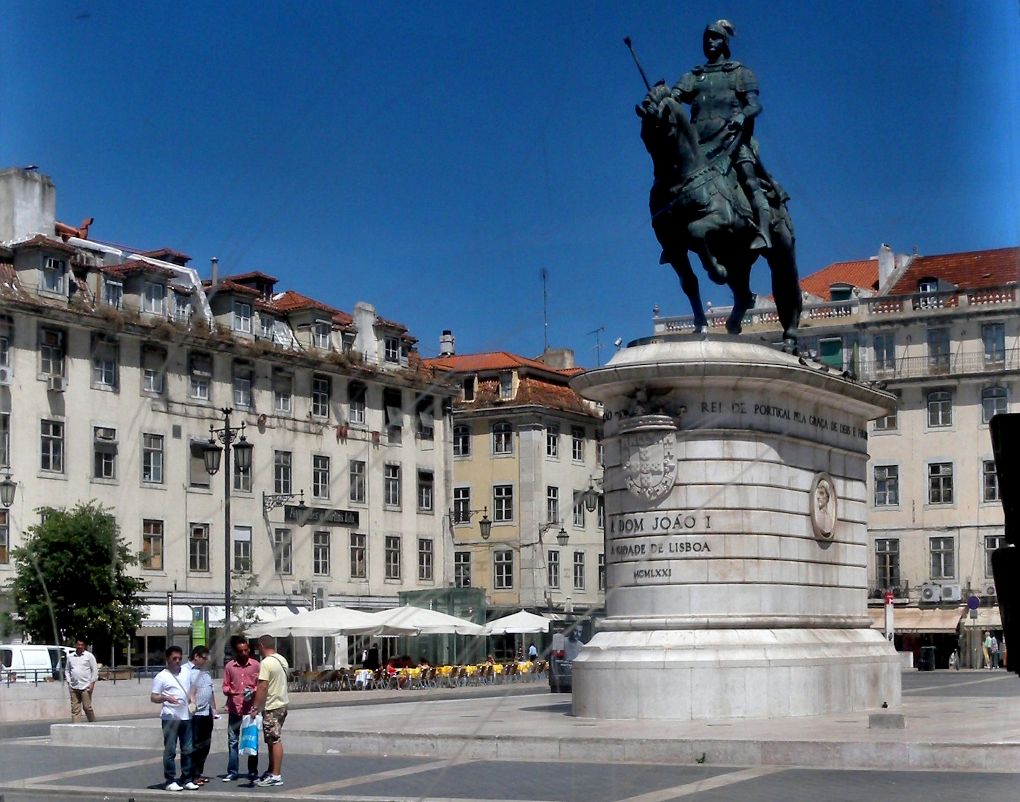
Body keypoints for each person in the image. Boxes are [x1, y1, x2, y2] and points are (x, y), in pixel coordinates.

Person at [670, 20, 783, 250]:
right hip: (699, 143)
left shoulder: (739, 73)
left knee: (748, 178)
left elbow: (754, 105)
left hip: (732, 139)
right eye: (707, 38)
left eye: (715, 37)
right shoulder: (693, 76)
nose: (709, 42)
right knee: (672, 179)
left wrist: (742, 115)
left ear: (725, 42)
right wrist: (660, 98)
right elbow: (674, 98)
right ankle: (670, 233)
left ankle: (763, 231)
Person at [150, 645, 199, 792]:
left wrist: (192, 700)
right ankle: (170, 780)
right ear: (167, 659)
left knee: (188, 749)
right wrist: (165, 697)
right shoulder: (161, 676)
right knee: (170, 750)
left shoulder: (186, 672)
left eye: (179, 658)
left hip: (186, 717)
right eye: (174, 659)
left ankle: (186, 778)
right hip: (170, 717)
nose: (177, 661)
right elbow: (153, 697)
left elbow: (191, 688)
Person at [252, 634, 289, 787]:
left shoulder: (266, 663)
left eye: (257, 647)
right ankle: (271, 770)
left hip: (272, 705)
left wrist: (255, 707)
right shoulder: (281, 659)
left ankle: (276, 775)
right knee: (271, 738)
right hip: (282, 703)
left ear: (261, 645)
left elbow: (263, 687)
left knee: (274, 739)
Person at [222, 635, 260, 782]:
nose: (244, 653)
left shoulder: (256, 665)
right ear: (236, 652)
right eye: (240, 651)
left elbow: (262, 685)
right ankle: (232, 771)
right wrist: (229, 690)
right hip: (234, 708)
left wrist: (254, 690)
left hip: (250, 710)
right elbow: (225, 686)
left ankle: (252, 771)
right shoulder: (230, 666)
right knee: (233, 741)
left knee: (251, 740)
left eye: (246, 650)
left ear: (249, 649)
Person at [186, 646, 217, 785]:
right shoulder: (186, 671)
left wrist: (214, 709)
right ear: (196, 657)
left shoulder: (206, 672)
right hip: (195, 714)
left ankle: (198, 772)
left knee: (205, 745)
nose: (207, 661)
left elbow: (211, 691)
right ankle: (191, 775)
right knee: (195, 745)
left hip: (207, 713)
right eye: (204, 658)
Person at [66, 637, 98, 723]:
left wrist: (92, 684)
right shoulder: (70, 657)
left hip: (86, 686)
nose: (80, 646)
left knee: (87, 707)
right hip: (74, 686)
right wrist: (69, 681)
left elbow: (94, 670)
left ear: (84, 646)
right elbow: (67, 670)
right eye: (78, 644)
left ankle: (93, 722)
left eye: (82, 645)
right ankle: (76, 727)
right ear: (76, 645)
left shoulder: (89, 656)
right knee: (75, 709)